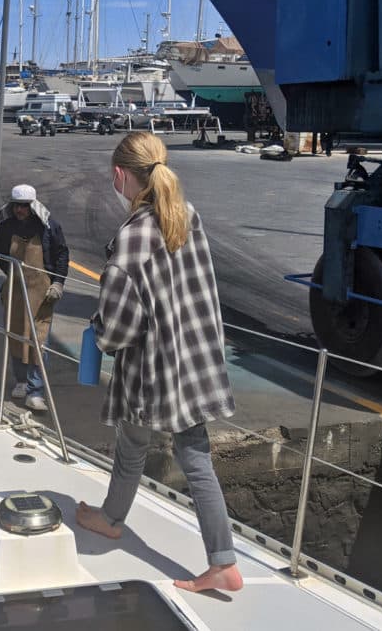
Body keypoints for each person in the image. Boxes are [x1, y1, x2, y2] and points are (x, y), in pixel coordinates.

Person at [75, 132, 243, 594]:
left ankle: (114, 520)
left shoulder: (131, 237)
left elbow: (119, 328)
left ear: (119, 176)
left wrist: (99, 334)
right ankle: (220, 558)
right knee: (190, 452)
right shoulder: (186, 216)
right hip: (196, 355)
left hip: (154, 367)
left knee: (141, 444)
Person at [0, 184, 69, 412]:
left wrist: (58, 282)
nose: (20, 210)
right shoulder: (5, 228)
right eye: (16, 206)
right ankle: (21, 381)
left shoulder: (49, 227)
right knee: (17, 336)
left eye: (24, 206)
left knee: (39, 341)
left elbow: (61, 254)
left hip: (42, 293)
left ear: (33, 206)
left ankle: (35, 391)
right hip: (15, 289)